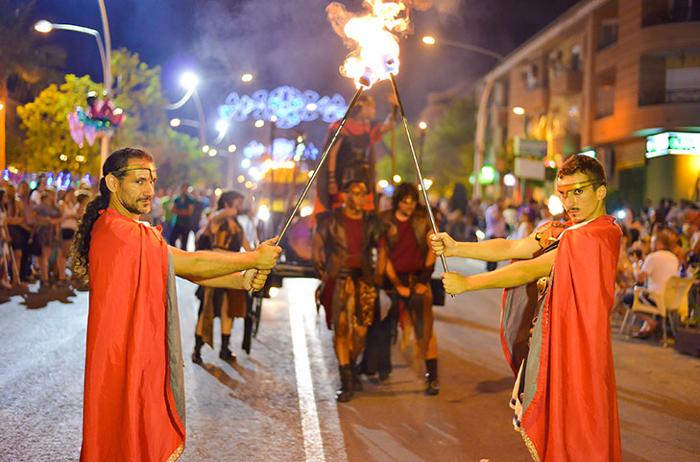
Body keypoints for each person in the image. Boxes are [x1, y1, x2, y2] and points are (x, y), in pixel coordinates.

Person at [72, 148, 281, 461]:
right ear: (112, 183)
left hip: (123, 357)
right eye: (139, 181)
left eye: (152, 181)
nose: (149, 191)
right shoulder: (123, 233)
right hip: (124, 359)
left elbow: (184, 269)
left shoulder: (115, 226)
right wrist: (253, 258)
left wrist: (239, 280)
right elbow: (190, 261)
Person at [431, 154, 622, 461]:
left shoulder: (598, 235)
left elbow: (529, 269)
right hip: (554, 340)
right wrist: (457, 247)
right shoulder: (564, 230)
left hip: (580, 348)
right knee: (556, 425)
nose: (569, 201)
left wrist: (469, 284)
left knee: (581, 427)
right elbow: (512, 246)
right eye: (563, 193)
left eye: (578, 191)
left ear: (600, 191)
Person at [313, 179, 383, 402]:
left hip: (363, 278)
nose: (361, 197)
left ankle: (351, 367)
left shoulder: (371, 221)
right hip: (338, 278)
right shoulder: (331, 220)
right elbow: (317, 244)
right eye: (356, 193)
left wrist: (378, 277)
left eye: (364, 193)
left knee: (361, 332)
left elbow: (383, 250)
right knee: (341, 330)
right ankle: (346, 381)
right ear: (345, 196)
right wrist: (323, 271)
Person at [367, 182, 439, 394]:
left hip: (418, 279)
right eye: (404, 201)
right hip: (391, 281)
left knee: (426, 330)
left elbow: (432, 250)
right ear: (398, 200)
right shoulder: (384, 220)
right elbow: (384, 256)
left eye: (412, 202)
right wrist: (397, 285)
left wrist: (423, 282)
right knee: (376, 323)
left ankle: (432, 377)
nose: (408, 206)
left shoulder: (424, 219)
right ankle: (373, 367)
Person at [192, 190, 252, 364]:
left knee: (228, 311)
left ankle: (224, 348)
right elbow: (215, 218)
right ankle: (197, 349)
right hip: (215, 270)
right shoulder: (217, 219)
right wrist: (229, 210)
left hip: (232, 272)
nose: (240, 207)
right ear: (228, 204)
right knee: (206, 310)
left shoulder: (238, 225)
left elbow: (247, 247)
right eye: (237, 203)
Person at [314, 94, 395, 213]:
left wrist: (394, 108)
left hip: (363, 175)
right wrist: (331, 180)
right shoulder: (341, 126)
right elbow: (332, 154)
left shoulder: (368, 127)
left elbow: (388, 126)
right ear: (361, 107)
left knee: (366, 211)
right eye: (371, 107)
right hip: (344, 177)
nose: (374, 110)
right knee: (343, 211)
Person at [629, 228, 680, 338]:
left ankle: (652, 323)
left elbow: (640, 279)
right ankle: (646, 329)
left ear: (659, 243)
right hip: (671, 299)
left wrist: (635, 267)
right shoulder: (674, 258)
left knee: (628, 298)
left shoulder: (653, 257)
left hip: (656, 298)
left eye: (652, 242)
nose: (651, 245)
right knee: (642, 295)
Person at [169, 183, 195, 250]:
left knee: (184, 243)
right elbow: (172, 210)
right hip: (177, 223)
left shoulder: (190, 199)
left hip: (186, 224)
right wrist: (183, 212)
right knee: (172, 240)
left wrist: (178, 211)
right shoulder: (177, 199)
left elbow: (190, 212)